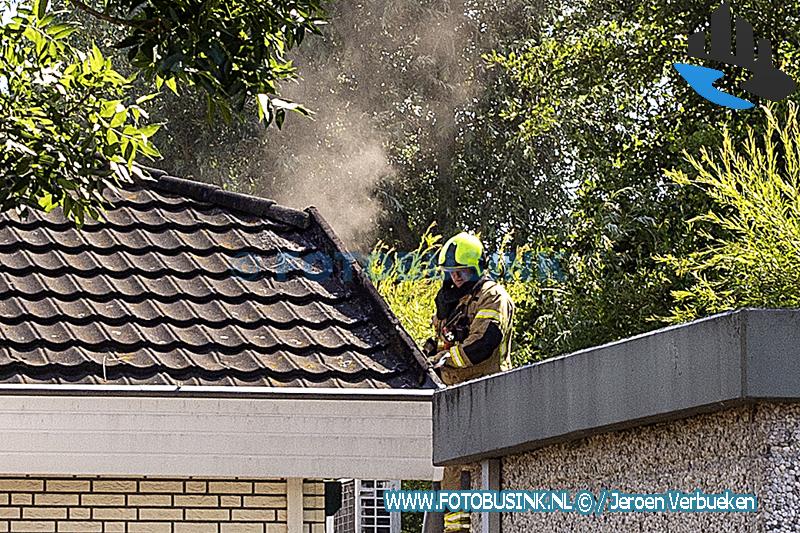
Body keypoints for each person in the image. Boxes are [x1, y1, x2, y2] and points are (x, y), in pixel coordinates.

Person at [424, 232, 515, 533]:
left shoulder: (492, 296)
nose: (456, 277)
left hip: (486, 392)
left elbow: (483, 344)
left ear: (477, 267)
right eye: (451, 272)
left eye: (461, 271)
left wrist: (445, 360)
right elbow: (444, 344)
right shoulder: (451, 300)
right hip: (455, 397)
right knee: (452, 474)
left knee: (479, 469)